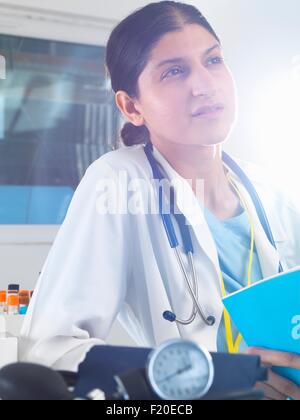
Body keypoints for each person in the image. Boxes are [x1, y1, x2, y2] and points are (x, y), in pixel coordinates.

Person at [20, 1, 300, 400]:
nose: (205, 84)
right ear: (131, 106)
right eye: (174, 71)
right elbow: (51, 351)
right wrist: (225, 376)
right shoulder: (118, 182)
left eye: (214, 60)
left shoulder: (274, 191)